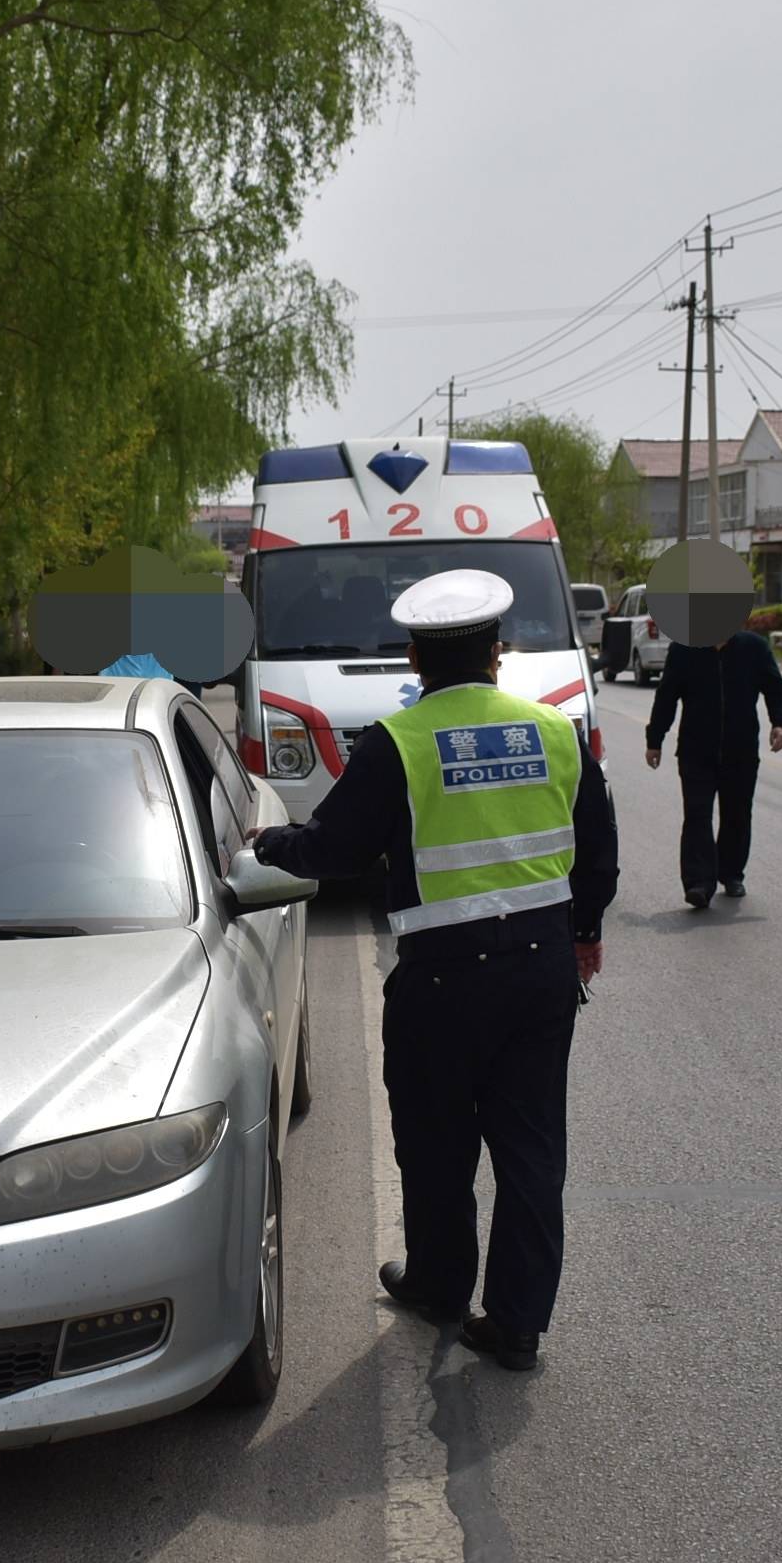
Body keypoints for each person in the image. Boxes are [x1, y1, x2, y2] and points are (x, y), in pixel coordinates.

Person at [250, 568, 618, 1372]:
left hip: (443, 983)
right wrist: (584, 929)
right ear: (499, 652)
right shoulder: (555, 731)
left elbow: (333, 850)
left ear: (414, 656)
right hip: (541, 971)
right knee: (530, 1151)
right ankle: (517, 1323)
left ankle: (442, 1286)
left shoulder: (399, 742)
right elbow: (598, 847)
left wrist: (266, 843)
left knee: (435, 1142)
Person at [643, 627, 782, 907]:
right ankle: (699, 883)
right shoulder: (684, 649)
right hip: (695, 751)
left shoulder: (754, 648)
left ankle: (732, 873)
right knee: (697, 815)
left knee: (737, 814)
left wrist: (780, 723)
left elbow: (776, 688)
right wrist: (655, 740)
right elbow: (667, 697)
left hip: (741, 750)